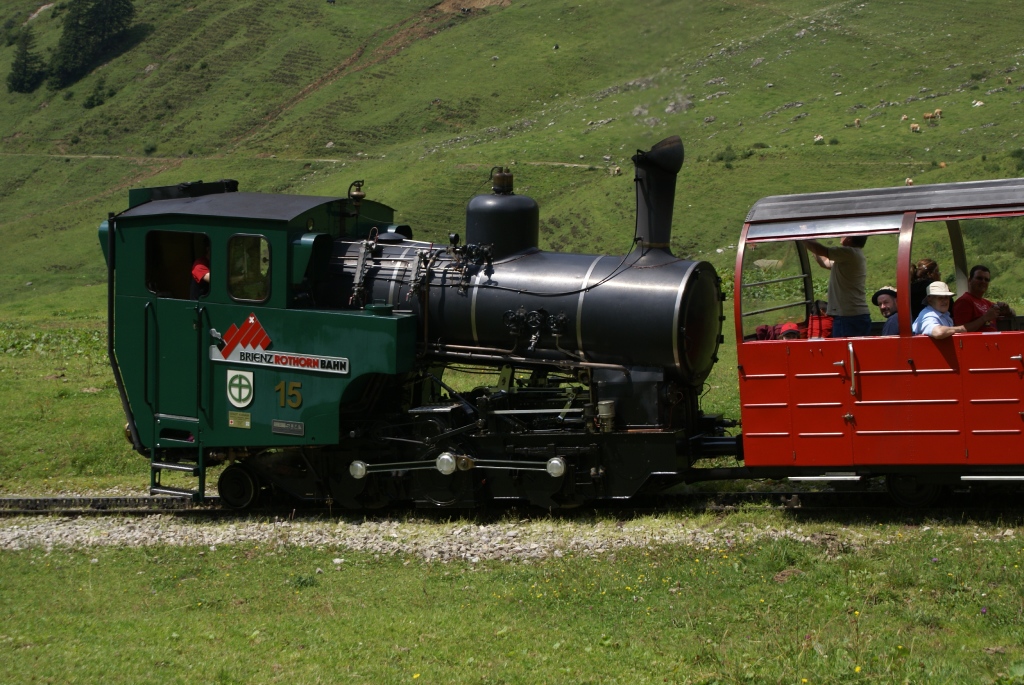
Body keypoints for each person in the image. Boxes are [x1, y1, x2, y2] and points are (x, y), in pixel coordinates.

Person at [803, 236, 870, 337]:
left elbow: (820, 250)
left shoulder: (849, 253)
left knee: (842, 347)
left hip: (848, 317)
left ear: (849, 238)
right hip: (851, 316)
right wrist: (811, 241)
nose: (840, 235)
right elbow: (824, 262)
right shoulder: (850, 255)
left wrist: (803, 235)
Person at [952, 265, 1015, 332]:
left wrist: (1007, 310)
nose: (983, 282)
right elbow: (960, 330)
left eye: (986, 280)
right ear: (970, 280)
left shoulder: (987, 303)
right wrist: (985, 318)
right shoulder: (964, 301)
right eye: (979, 278)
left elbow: (1013, 313)